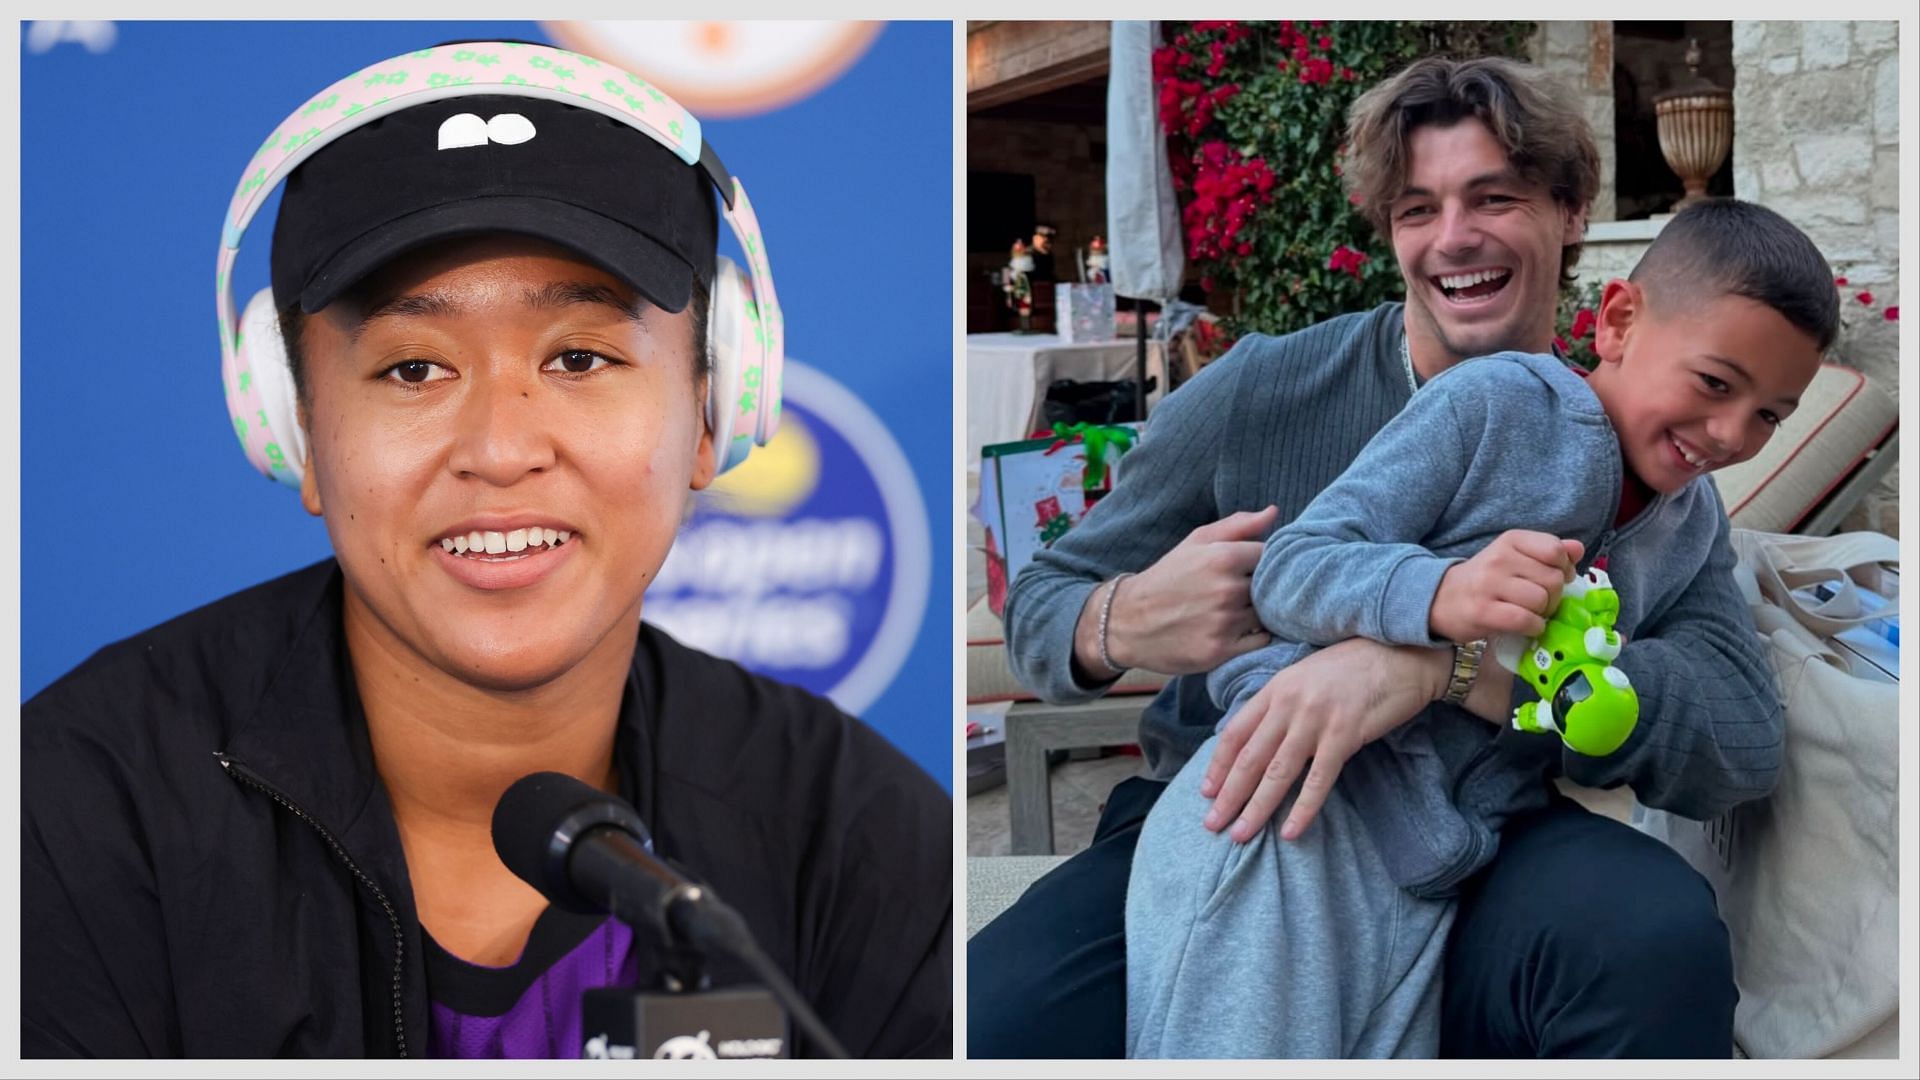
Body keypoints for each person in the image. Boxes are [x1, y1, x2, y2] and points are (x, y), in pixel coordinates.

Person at [22, 40, 950, 1059]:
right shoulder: (73, 819)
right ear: (292, 428)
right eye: (413, 369)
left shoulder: (858, 837)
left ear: (713, 409)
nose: (502, 450)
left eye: (581, 357)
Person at [973, 55, 1779, 1058]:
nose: (1454, 240)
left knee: (1654, 938)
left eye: (1494, 198)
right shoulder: (1265, 388)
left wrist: (1461, 668)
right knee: (995, 1018)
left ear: (1571, 213)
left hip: (1484, 824)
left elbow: (1735, 738)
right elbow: (1042, 600)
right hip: (1243, 800)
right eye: (1416, 209)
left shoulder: (1652, 463)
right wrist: (1122, 618)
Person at [1126, 198, 1834, 1057]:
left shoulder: (1691, 527)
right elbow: (1293, 565)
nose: (1731, 434)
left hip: (1438, 873)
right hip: (1283, 821)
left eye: (1770, 415)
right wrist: (1440, 593)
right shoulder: (1497, 401)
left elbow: (1745, 742)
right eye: (1715, 384)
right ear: (1617, 321)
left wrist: (1458, 670)